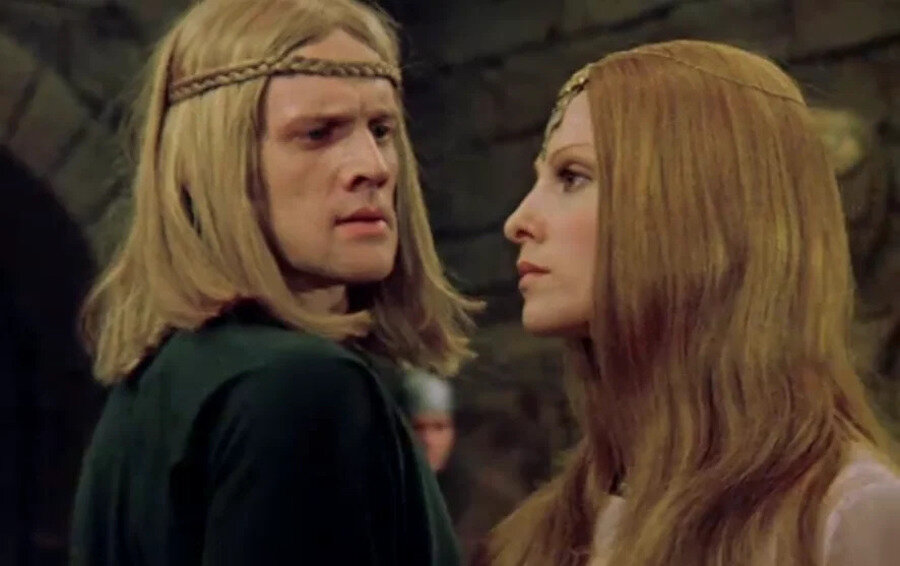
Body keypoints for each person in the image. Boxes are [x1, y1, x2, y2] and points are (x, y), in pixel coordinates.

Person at [69, 0, 480, 564]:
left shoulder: (159, 386)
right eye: (318, 133)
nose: (375, 166)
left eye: (382, 129)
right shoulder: (300, 386)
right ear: (220, 166)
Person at [480, 40, 900, 566]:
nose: (518, 221)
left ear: (692, 210)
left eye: (572, 177)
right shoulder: (542, 532)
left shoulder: (841, 517)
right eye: (540, 178)